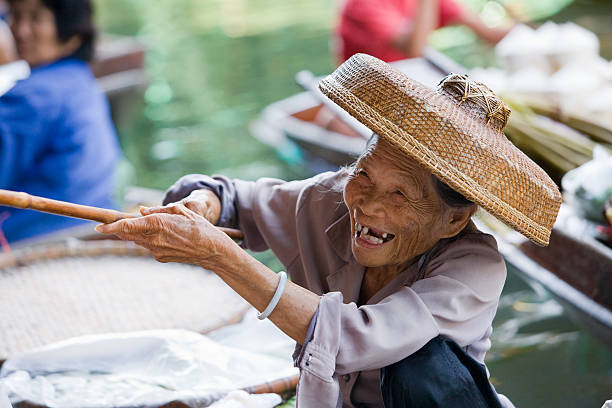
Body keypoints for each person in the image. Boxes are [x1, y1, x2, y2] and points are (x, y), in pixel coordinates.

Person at [97, 54, 562, 407]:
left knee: (421, 367)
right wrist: (202, 205)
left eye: (401, 195)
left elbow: (355, 338)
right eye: (364, 174)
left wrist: (218, 255)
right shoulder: (333, 196)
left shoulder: (474, 267)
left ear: (454, 219)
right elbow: (235, 199)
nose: (368, 204)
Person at [0, 0, 120, 243]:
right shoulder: (79, 78)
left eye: (35, 18)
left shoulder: (34, 95)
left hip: (34, 237)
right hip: (89, 226)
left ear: (71, 30)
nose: (20, 30)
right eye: (15, 16)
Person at [336, 0, 511, 63]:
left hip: (409, 88)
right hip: (370, 95)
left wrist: (530, 31)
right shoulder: (361, 4)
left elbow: (487, 33)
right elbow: (415, 49)